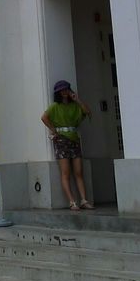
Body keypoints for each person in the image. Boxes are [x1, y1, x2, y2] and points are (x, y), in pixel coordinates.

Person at [41, 79, 93, 211]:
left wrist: (77, 100)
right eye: (62, 90)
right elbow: (44, 117)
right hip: (61, 140)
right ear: (58, 93)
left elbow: (87, 112)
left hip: (74, 139)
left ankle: (84, 200)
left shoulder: (75, 105)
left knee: (79, 171)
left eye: (66, 89)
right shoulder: (55, 106)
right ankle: (72, 201)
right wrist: (53, 130)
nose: (64, 92)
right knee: (66, 173)